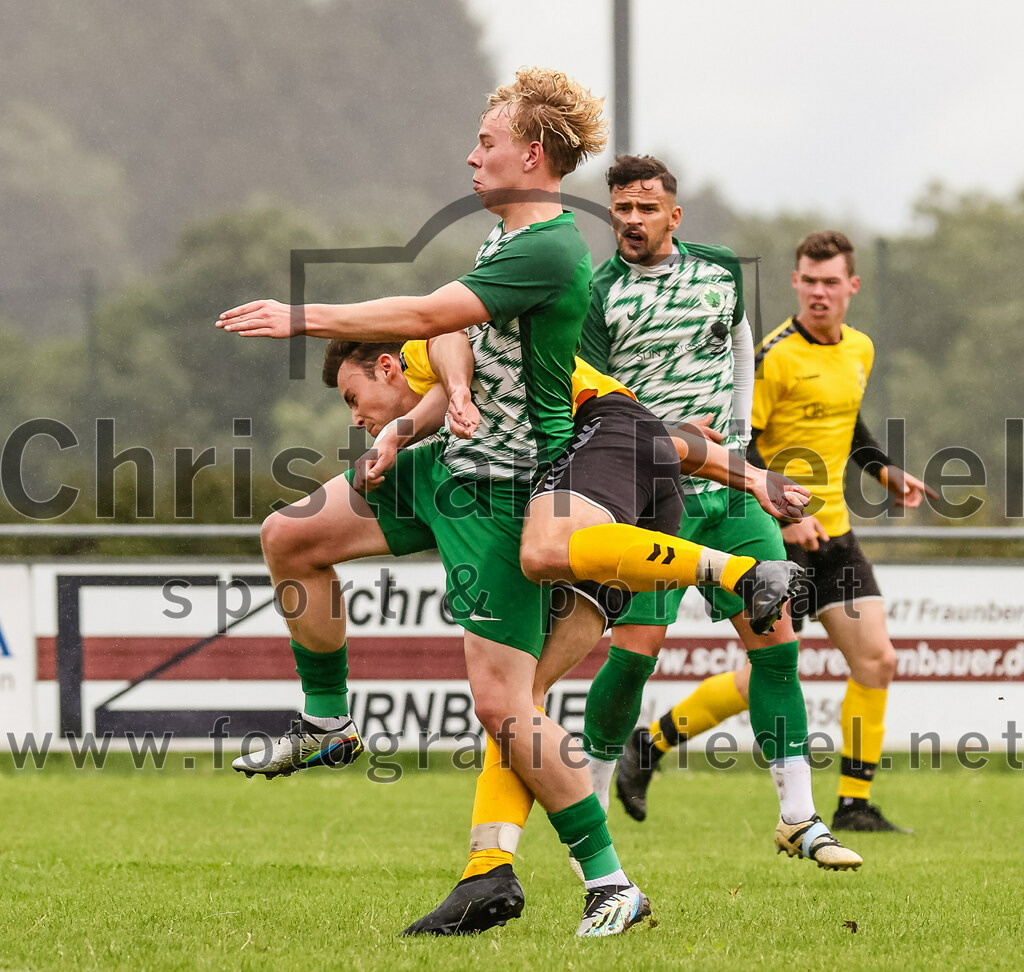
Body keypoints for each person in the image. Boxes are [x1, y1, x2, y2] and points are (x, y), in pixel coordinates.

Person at [216, 67, 658, 938]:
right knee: (290, 537)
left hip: (499, 495)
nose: (472, 155)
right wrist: (408, 425)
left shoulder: (550, 246)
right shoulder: (506, 240)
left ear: (531, 155)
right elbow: (455, 329)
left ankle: (610, 883)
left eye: (486, 142)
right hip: (451, 466)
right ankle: (327, 720)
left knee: (505, 708)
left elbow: (424, 311)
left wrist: (297, 315)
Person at [323, 332, 814, 933]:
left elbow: (445, 332)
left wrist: (403, 416)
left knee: (539, 553)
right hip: (629, 511)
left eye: (354, 396)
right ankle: (493, 871)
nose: (356, 416)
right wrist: (752, 477)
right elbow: (659, 439)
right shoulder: (516, 406)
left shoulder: (439, 353)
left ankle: (740, 573)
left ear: (387, 366)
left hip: (613, 484)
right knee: (514, 703)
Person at [564, 156, 863, 870]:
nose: (631, 220)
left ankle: (800, 819)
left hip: (728, 494)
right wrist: (666, 438)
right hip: (650, 501)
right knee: (633, 660)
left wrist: (733, 441)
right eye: (621, 208)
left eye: (645, 207)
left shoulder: (721, 269)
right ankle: (593, 821)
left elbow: (737, 345)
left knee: (778, 648)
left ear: (674, 215)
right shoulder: (597, 296)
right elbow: (596, 400)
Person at [619, 229, 937, 834]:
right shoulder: (773, 355)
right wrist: (786, 512)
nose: (820, 293)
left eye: (831, 283)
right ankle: (650, 744)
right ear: (796, 282)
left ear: (852, 287)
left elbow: (849, 422)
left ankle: (854, 804)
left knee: (877, 661)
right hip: (781, 534)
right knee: (762, 673)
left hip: (835, 536)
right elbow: (746, 441)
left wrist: (883, 469)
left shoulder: (860, 349)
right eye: (809, 282)